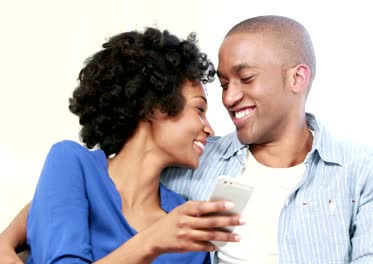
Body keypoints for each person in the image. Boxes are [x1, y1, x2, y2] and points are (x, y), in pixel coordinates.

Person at [1, 15, 373, 263]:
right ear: (154, 107)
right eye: (220, 86)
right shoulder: (199, 168)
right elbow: (72, 194)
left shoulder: (366, 173)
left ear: (297, 77)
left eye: (246, 78)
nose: (228, 100)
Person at [1, 27, 246, 264]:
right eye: (199, 110)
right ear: (155, 106)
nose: (209, 129)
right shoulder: (74, 164)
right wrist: (152, 242)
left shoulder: (186, 225)